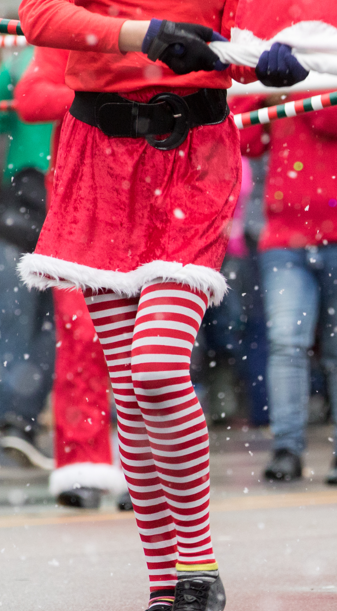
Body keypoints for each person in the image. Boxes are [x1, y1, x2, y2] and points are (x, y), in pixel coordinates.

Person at [15, 1, 308, 609]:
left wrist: (271, 59)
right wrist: (142, 35)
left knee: (155, 369)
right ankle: (163, 585)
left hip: (193, 160)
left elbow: (243, 43)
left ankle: (198, 564)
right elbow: (39, 16)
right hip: (99, 162)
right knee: (129, 389)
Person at [239, 91, 337, 486]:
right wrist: (259, 87)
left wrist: (294, 86)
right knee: (286, 342)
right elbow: (244, 138)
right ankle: (286, 449)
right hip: (286, 233)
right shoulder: (281, 76)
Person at [13, 45, 132, 509]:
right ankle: (84, 461)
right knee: (83, 335)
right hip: (80, 206)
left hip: (153, 196)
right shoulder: (71, 32)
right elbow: (31, 99)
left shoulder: (169, 25)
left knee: (149, 344)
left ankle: (147, 467)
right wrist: (101, 91)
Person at [0, 46, 55, 470]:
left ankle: (18, 419)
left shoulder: (28, 57)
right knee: (32, 322)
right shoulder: (25, 56)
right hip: (29, 199)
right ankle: (17, 420)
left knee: (37, 323)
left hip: (43, 198)